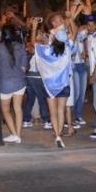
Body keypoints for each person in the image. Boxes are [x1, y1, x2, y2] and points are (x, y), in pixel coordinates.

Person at [32, 18, 74, 149]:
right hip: (64, 84)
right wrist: (71, 19)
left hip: (50, 86)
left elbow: (33, 42)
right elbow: (74, 33)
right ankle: (60, 133)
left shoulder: (45, 50)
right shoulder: (68, 48)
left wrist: (34, 27)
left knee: (53, 113)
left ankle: (57, 135)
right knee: (61, 111)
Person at [0, 24, 28, 143]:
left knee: (5, 110)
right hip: (20, 81)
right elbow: (24, 67)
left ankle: (14, 133)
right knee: (18, 109)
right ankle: (18, 135)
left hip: (5, 82)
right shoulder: (20, 46)